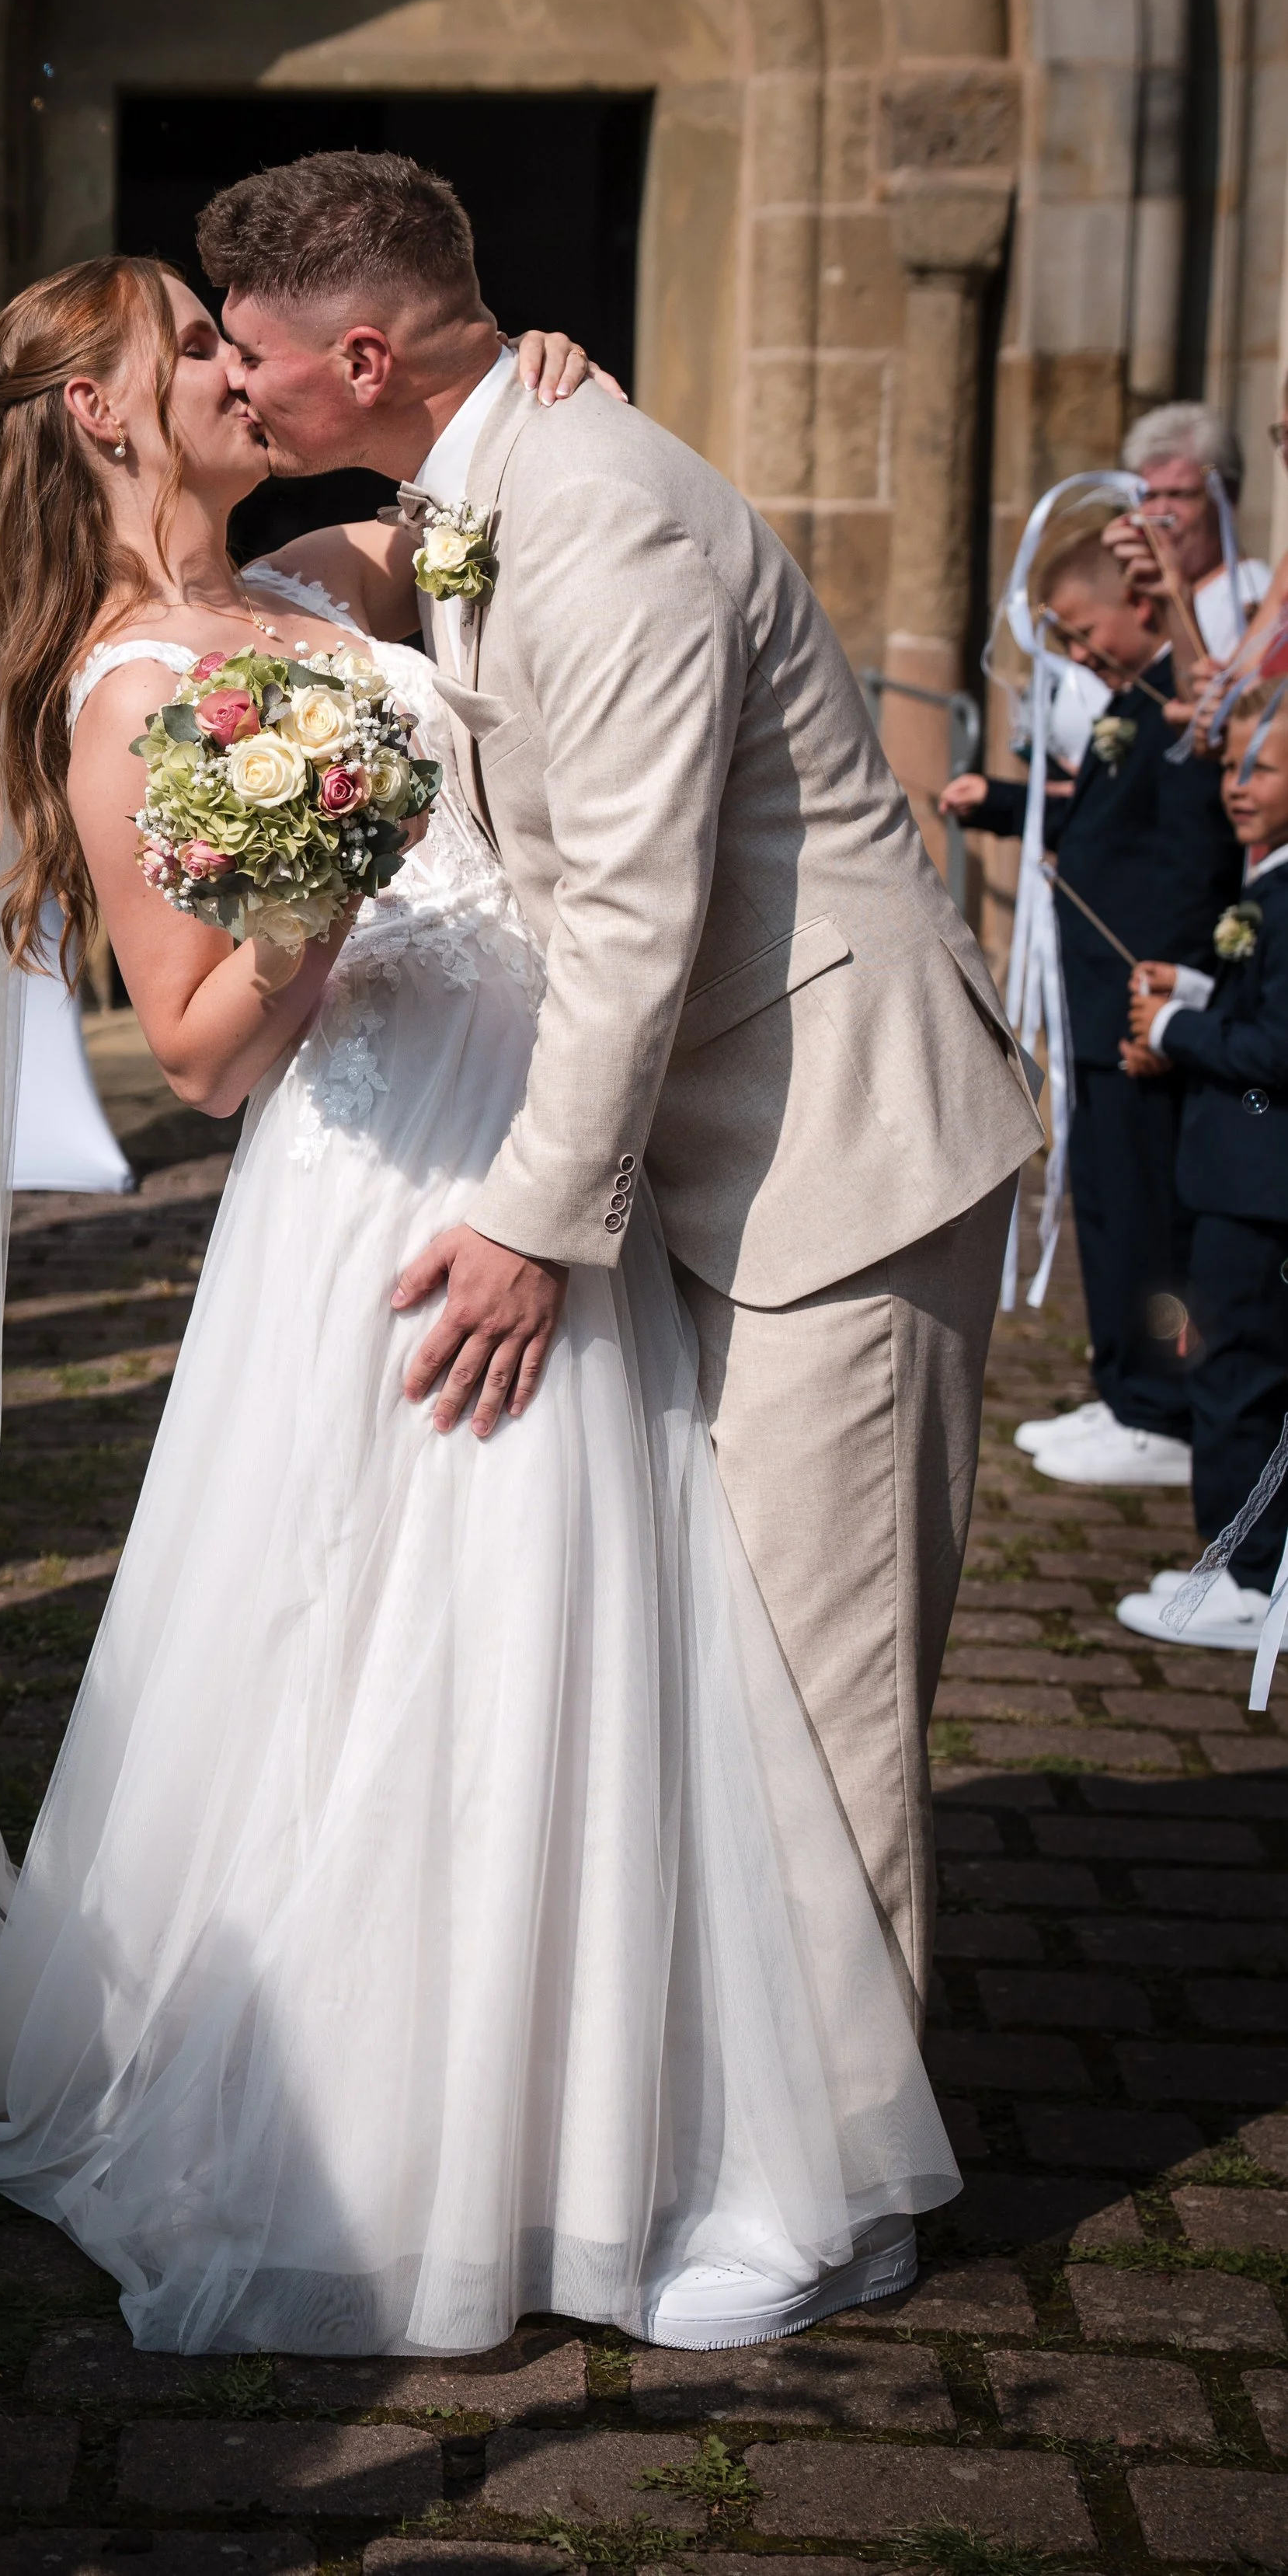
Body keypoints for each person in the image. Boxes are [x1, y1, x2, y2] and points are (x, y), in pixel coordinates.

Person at [0, 260, 960, 2360]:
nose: (219, 363)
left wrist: (541, 380)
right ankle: (408, 2124)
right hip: (382, 1171)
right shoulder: (119, 687)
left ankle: (615, 2101)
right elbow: (193, 1050)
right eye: (182, 341)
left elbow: (456, 488)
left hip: (541, 1144)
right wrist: (320, 877)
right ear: (100, 415)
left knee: (605, 1618)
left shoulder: (315, 571)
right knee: (404, 1628)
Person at [204, 153, 1041, 2030]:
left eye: (250, 357)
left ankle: (846, 2187)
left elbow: (637, 912)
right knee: (724, 1675)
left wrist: (526, 1220)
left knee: (826, 1699)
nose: (236, 389)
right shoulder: (487, 474)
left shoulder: (594, 516)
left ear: (358, 351)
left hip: (842, 1152)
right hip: (722, 1149)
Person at [943, 524, 1241, 1485]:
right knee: (1106, 1212)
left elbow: (1192, 833)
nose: (1074, 654)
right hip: (1099, 1009)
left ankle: (1161, 1401)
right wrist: (998, 798)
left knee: (1150, 1220)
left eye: (1081, 630)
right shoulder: (1125, 707)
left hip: (1145, 1008)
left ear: (1143, 609)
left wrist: (1171, 997)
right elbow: (1094, 816)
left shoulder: (1178, 706)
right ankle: (1123, 1384)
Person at [1115, 684, 1288, 1649]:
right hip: (1242, 1188)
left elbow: (1276, 1048)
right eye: (1229, 764)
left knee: (1236, 1377)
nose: (1234, 784)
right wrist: (1200, 986)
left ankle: (1249, 1575)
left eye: (1259, 767)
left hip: (1256, 1193)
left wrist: (1181, 1026)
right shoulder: (1268, 884)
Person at [1107, 403, 1269, 665]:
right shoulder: (1130, 594)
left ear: (1227, 497)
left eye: (1178, 495)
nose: (1160, 513)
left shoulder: (1253, 600)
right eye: (1147, 496)